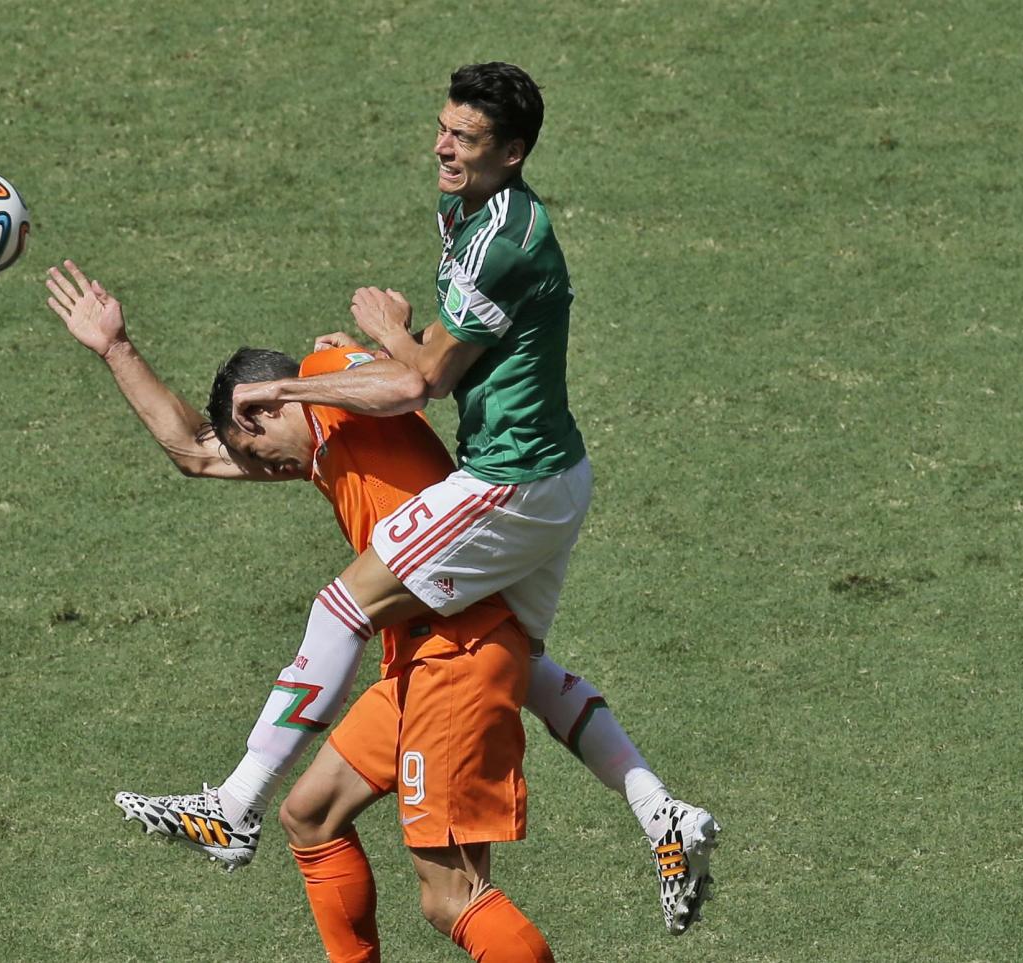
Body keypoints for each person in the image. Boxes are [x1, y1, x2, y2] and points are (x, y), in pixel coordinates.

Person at [218, 62, 720, 933]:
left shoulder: (503, 240)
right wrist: (394, 346)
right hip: (555, 475)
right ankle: (659, 809)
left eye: (466, 138)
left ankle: (236, 799)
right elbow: (440, 353)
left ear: (512, 152)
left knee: (343, 606)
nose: (444, 148)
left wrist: (346, 358)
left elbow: (424, 380)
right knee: (523, 663)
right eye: (444, 128)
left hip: (511, 477)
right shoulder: (467, 210)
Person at [47, 262, 553, 961]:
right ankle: (241, 808)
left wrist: (312, 374)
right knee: (310, 816)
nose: (266, 467)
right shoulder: (320, 446)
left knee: (452, 897)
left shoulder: (325, 380)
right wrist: (116, 348)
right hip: (419, 660)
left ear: (263, 410)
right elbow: (196, 453)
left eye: (256, 447)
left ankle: (235, 802)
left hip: (459, 655)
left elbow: (406, 384)